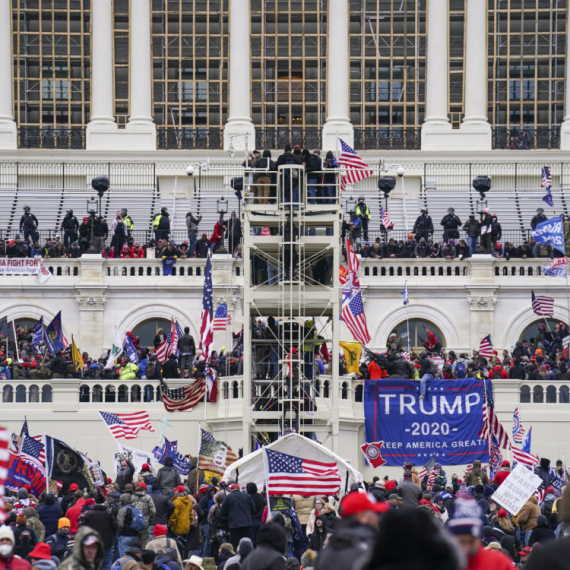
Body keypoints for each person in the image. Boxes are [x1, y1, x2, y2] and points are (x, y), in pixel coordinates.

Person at [315, 493, 388, 570]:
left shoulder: (328, 550)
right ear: (362, 517)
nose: (378, 517)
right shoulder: (372, 550)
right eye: (375, 513)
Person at [448, 496, 512, 570]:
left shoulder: (499, 563)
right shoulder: (442, 563)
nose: (467, 548)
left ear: (479, 538)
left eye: (472, 541)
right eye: (461, 542)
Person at [83, 495, 118, 570]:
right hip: (106, 543)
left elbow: (84, 528)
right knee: (106, 565)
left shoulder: (89, 514)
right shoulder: (108, 513)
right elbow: (115, 526)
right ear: (104, 502)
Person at [220, 484, 255, 550]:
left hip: (234, 525)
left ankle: (237, 558)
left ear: (231, 490)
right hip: (247, 524)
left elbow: (223, 512)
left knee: (235, 545)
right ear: (239, 489)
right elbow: (253, 510)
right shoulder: (247, 496)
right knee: (248, 544)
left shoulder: (228, 498)